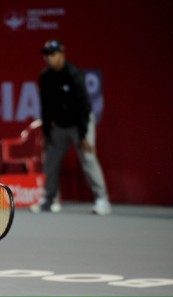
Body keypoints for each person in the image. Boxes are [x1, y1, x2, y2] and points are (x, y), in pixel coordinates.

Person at [31, 39, 112, 215]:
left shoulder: (74, 74)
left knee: (88, 158)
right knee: (50, 160)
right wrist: (46, 133)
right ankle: (49, 200)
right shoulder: (45, 77)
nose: (49, 58)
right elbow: (45, 107)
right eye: (46, 54)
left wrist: (83, 136)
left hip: (80, 123)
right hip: (60, 126)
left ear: (61, 54)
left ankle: (102, 200)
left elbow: (84, 106)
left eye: (52, 54)